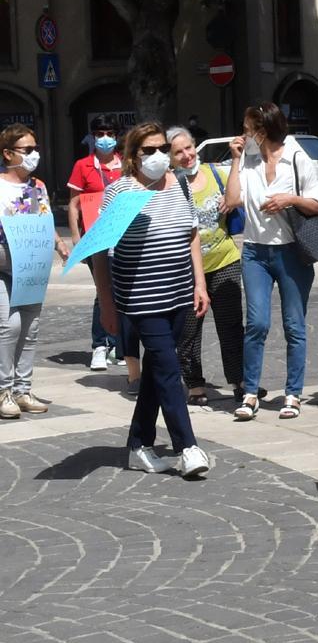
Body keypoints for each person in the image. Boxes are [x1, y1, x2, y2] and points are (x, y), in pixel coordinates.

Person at [92, 122, 212, 478]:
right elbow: (100, 252)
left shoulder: (181, 185)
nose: (158, 156)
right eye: (149, 150)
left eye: (163, 148)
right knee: (169, 368)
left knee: (158, 371)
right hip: (140, 298)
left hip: (178, 293)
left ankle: (139, 444)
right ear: (133, 156)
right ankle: (187, 446)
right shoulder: (121, 192)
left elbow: (191, 234)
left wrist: (199, 284)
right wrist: (108, 304)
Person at [225, 103, 318, 421]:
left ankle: (293, 393)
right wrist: (237, 158)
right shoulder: (249, 161)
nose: (243, 134)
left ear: (262, 131)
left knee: (294, 326)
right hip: (255, 252)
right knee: (256, 324)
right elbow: (230, 201)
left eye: (247, 128)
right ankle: (250, 392)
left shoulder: (297, 158)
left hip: (291, 252)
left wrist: (290, 199)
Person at [167, 126, 244, 406]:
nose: (187, 155)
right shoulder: (170, 184)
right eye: (179, 152)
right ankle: (195, 384)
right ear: (170, 157)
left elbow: (240, 195)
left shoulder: (215, 174)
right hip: (185, 269)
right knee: (189, 329)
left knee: (231, 324)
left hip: (224, 259)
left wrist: (232, 197)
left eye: (189, 148)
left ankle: (239, 379)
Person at [0, 124, 70, 418]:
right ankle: (3, 389)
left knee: (30, 327)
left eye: (35, 149)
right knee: (8, 326)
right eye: (27, 150)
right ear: (7, 153)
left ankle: (22, 388)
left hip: (31, 266)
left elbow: (44, 219)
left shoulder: (37, 186)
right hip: (3, 264)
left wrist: (57, 242)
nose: (34, 155)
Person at [67, 114, 136, 377]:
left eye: (109, 133)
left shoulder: (126, 164)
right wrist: (75, 237)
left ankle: (120, 346)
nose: (104, 138)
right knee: (102, 289)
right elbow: (73, 205)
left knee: (123, 289)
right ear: (92, 137)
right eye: (99, 134)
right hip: (96, 238)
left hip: (123, 237)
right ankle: (99, 345)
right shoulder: (83, 166)